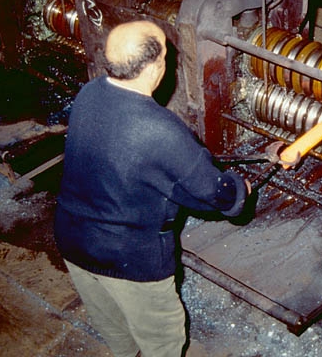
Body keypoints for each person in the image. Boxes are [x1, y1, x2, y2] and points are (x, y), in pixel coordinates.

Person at [54, 20, 251, 357]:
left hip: (72, 240)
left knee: (115, 330)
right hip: (130, 260)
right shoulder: (161, 130)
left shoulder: (90, 93)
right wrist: (239, 188)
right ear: (154, 67)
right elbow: (212, 195)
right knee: (163, 342)